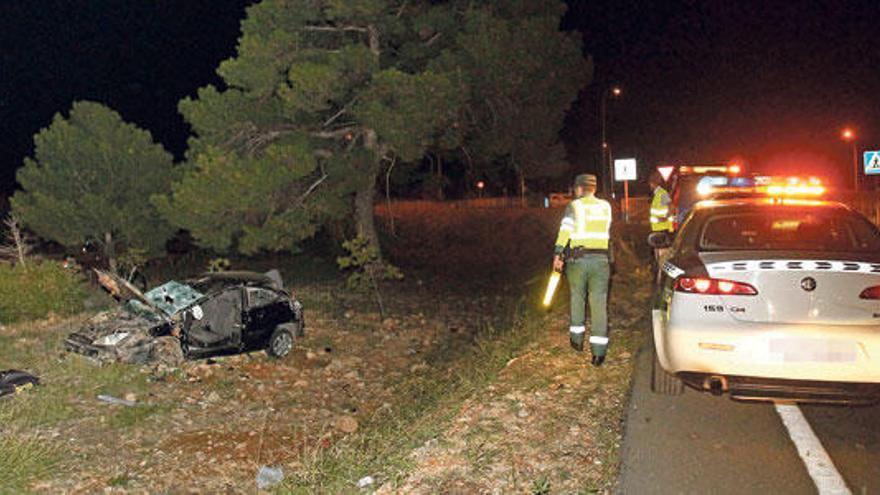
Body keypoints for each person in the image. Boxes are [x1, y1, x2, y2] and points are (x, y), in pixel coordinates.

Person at [553, 174, 613, 366]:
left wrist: (558, 254)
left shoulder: (574, 206)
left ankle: (577, 341)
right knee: (599, 303)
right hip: (602, 260)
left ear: (579, 188)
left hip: (578, 261)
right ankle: (598, 353)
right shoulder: (606, 207)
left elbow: (565, 231)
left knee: (577, 298)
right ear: (593, 188)